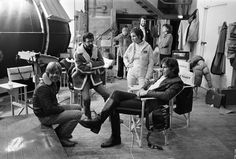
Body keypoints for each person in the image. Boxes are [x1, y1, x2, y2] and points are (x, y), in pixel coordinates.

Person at [80, 57, 184, 148]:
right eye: (162, 66)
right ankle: (99, 122)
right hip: (142, 97)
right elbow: (150, 84)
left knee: (114, 106)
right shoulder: (163, 76)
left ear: (173, 69)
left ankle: (111, 134)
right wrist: (143, 88)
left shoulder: (177, 82)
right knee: (116, 93)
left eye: (165, 67)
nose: (162, 69)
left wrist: (147, 92)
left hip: (148, 104)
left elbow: (166, 96)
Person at [33, 62, 84, 147]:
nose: (54, 75)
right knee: (78, 114)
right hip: (45, 116)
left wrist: (61, 108)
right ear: (47, 73)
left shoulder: (52, 82)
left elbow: (53, 104)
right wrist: (62, 109)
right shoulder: (43, 87)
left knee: (78, 107)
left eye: (57, 73)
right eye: (52, 73)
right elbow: (48, 109)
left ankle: (63, 131)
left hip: (52, 109)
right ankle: (62, 137)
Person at [72, 32, 110, 120]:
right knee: (86, 99)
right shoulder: (78, 53)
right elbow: (80, 68)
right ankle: (88, 117)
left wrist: (91, 65)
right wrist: (93, 68)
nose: (90, 44)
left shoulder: (95, 49)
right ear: (84, 42)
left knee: (107, 95)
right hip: (83, 79)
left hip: (94, 78)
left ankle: (108, 114)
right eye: (88, 41)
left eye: (92, 41)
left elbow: (102, 63)